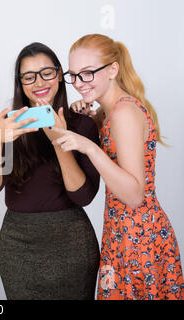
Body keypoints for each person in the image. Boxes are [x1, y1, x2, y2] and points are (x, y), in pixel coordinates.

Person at [55, 33, 184, 300]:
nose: (79, 83)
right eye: (74, 75)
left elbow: (135, 195)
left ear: (113, 69)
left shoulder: (124, 113)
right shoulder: (112, 111)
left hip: (138, 240)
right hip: (124, 234)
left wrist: (89, 147)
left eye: (88, 73)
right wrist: (92, 116)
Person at [0, 42, 101, 300]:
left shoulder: (82, 124)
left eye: (47, 72)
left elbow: (83, 197)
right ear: (20, 83)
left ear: (59, 75)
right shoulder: (5, 125)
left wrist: (59, 138)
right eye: (28, 76)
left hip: (72, 243)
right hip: (18, 244)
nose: (38, 82)